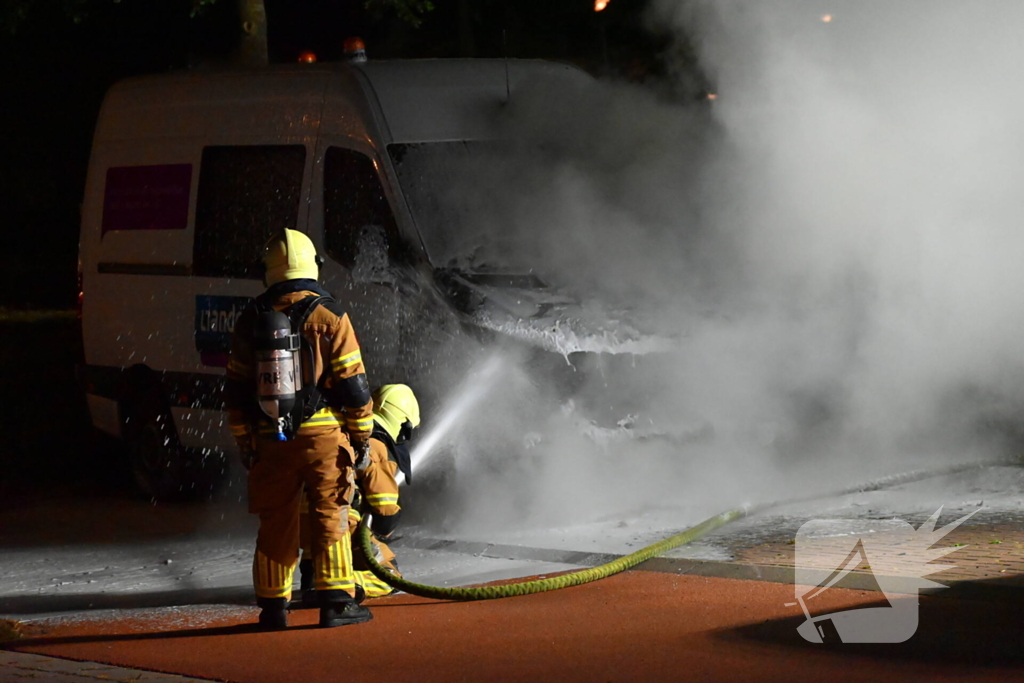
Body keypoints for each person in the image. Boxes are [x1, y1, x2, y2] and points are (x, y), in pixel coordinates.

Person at [224, 229, 376, 630]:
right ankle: (336, 604)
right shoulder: (330, 316)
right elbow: (354, 386)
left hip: (270, 436)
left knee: (277, 519)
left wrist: (245, 441)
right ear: (313, 265)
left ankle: (274, 608)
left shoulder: (251, 318)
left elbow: (237, 390)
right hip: (324, 437)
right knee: (331, 511)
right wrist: (360, 440)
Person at [298, 383, 420, 603]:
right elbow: (384, 508)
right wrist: (388, 523)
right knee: (389, 576)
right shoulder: (376, 446)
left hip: (303, 520)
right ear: (403, 423)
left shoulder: (344, 431)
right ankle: (345, 585)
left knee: (319, 533)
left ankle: (314, 574)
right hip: (344, 523)